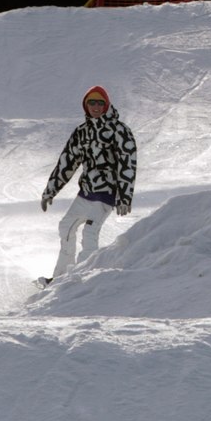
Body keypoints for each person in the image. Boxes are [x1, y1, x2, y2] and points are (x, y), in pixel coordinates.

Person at [39, 85, 137, 282]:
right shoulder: (82, 132)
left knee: (89, 233)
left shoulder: (118, 130)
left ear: (106, 104)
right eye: (91, 102)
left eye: (100, 102)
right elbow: (67, 162)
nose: (96, 106)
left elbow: (128, 163)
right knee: (66, 227)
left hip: (106, 194)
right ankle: (62, 277)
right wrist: (50, 190)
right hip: (86, 193)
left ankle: (84, 278)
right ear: (85, 105)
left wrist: (124, 196)